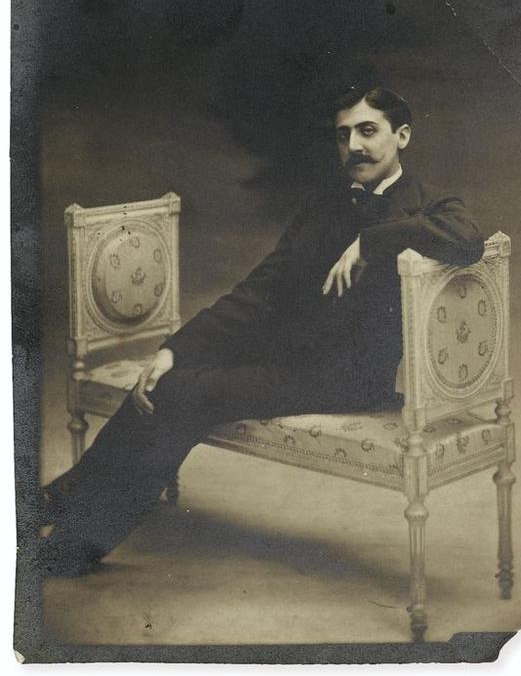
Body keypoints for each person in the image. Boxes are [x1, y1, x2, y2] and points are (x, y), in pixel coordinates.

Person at [39, 84, 485, 576]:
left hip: (347, 378)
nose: (354, 146)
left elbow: (469, 240)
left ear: (402, 136)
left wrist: (370, 242)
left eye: (367, 131)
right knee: (167, 375)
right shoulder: (325, 202)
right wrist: (176, 349)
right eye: (343, 135)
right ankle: (61, 505)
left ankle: (71, 542)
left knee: (183, 395)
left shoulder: (429, 204)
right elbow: (262, 288)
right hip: (286, 358)